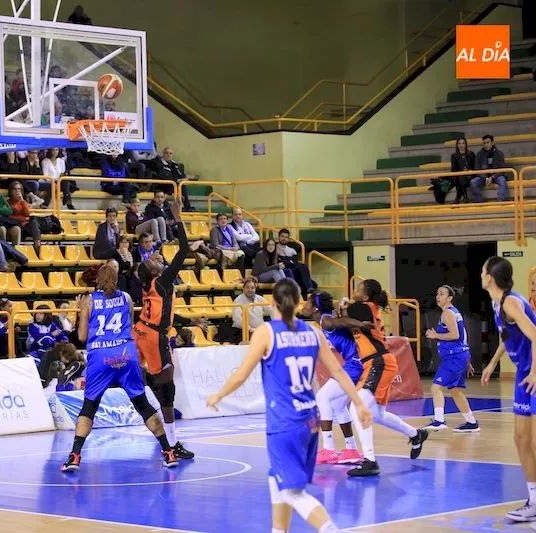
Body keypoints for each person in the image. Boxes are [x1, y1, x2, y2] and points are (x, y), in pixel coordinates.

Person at [206, 278, 372, 533]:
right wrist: (359, 403)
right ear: (298, 303)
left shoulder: (266, 332)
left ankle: (330, 529)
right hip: (311, 422)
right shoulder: (313, 332)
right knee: (277, 481)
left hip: (284, 422)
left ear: (272, 302)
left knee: (292, 493)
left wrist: (218, 396)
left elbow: (240, 376)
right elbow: (338, 371)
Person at [61, 262, 179, 472]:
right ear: (116, 279)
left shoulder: (89, 301)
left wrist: (80, 311)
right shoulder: (126, 297)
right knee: (143, 405)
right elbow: (129, 326)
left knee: (89, 407)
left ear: (97, 280)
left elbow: (82, 336)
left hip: (101, 357)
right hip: (126, 354)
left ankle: (75, 456)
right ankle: (168, 452)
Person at [344, 279, 429, 477]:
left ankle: (370, 460)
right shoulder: (365, 309)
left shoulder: (365, 307)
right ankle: (416, 434)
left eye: (358, 290)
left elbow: (346, 312)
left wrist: (342, 305)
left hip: (378, 363)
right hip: (378, 363)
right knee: (377, 414)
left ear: (365, 296)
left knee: (357, 408)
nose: (354, 292)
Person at [133, 197, 194, 460]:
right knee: (167, 389)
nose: (158, 259)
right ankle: (170, 442)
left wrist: (189, 322)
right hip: (153, 337)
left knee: (158, 383)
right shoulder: (163, 280)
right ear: (154, 271)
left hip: (141, 330)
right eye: (155, 260)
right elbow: (184, 251)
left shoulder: (151, 285)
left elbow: (165, 313)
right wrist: (178, 219)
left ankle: (150, 390)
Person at [480, 256, 536, 523]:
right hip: (524, 374)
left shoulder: (511, 302)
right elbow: (509, 336)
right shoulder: (499, 303)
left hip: (532, 373)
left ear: (490, 277)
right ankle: (534, 501)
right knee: (521, 439)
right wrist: (493, 362)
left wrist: (535, 371)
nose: (481, 274)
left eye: (483, 271)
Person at [303, 291, 363, 466]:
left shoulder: (326, 320)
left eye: (308, 302)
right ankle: (351, 450)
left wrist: (361, 324)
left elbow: (341, 322)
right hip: (354, 363)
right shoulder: (325, 320)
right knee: (337, 404)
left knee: (322, 397)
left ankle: (328, 450)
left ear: (315, 308)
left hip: (355, 364)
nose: (304, 305)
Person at [421, 285, 479, 433]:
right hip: (460, 356)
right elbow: (463, 336)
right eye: (437, 293)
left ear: (450, 298)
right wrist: (467, 359)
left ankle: (439, 421)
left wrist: (436, 335)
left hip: (454, 358)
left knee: (436, 387)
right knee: (456, 391)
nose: (438, 296)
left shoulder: (448, 313)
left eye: (441, 294)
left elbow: (455, 335)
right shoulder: (454, 312)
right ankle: (471, 422)